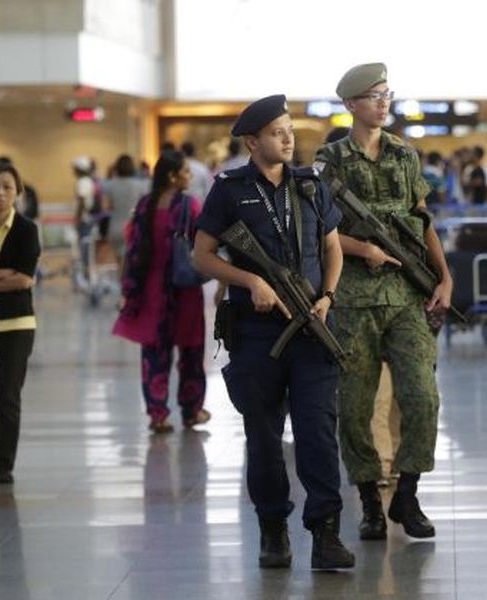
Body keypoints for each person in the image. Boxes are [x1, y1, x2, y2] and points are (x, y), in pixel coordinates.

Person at [192, 95, 354, 570]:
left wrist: (327, 296)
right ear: (252, 141)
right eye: (277, 132)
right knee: (263, 436)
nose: (288, 138)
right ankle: (272, 530)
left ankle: (325, 534)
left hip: (312, 327)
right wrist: (251, 281)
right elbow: (202, 256)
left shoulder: (309, 186)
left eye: (289, 130)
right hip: (256, 333)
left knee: (318, 433)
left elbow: (333, 247)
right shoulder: (229, 189)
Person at [314, 63, 452, 541]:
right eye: (373, 96)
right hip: (352, 300)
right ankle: (372, 502)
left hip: (406, 296)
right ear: (351, 105)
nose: (383, 102)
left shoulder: (405, 155)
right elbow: (320, 230)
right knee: (353, 407)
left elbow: (423, 219)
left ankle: (408, 493)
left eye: (386, 93)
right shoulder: (330, 160)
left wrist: (444, 277)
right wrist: (363, 250)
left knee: (423, 397)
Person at [112, 150, 210, 434]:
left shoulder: (145, 205)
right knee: (191, 351)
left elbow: (132, 250)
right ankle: (192, 411)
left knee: (154, 353)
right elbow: (204, 243)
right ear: (172, 176)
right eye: (186, 172)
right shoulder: (189, 206)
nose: (190, 177)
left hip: (151, 290)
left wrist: (127, 289)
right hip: (184, 290)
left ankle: (158, 413)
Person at [0, 163, 40, 484]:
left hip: (17, 323)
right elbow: (15, 276)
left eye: (6, 187)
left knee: (8, 395)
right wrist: (6, 274)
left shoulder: (26, 229)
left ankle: (4, 463)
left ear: (18, 193)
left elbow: (25, 279)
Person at [102, 154, 150, 263]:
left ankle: (121, 280)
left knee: (120, 265)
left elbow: (106, 206)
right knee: (133, 265)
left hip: (115, 227)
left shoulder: (110, 185)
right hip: (134, 227)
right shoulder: (141, 185)